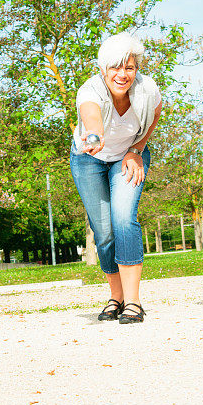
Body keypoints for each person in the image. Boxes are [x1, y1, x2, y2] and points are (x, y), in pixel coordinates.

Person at [70, 32, 162, 324]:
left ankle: (133, 302)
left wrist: (136, 149)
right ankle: (116, 297)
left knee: (124, 218)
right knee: (105, 230)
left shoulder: (148, 90)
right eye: (115, 68)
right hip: (89, 158)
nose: (123, 74)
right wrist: (94, 134)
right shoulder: (89, 90)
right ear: (103, 69)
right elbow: (91, 115)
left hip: (128, 156)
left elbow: (155, 114)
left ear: (136, 69)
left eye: (130, 67)